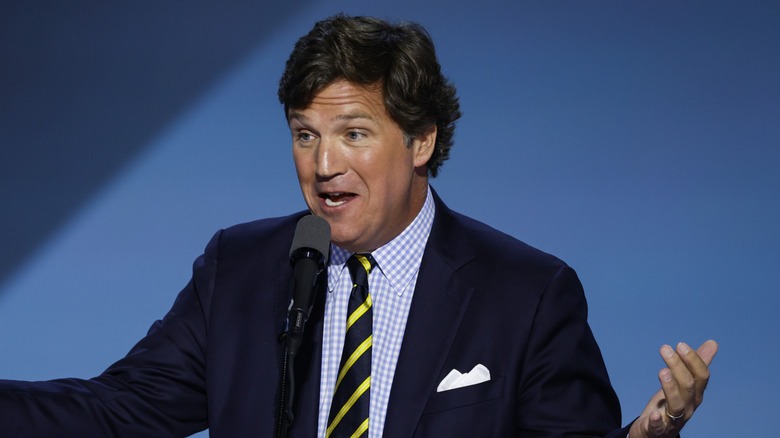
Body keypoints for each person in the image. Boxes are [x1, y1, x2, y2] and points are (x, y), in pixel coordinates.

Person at [0, 14, 716, 438]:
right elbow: (118, 410)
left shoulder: (525, 293)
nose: (323, 165)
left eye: (353, 133)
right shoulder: (241, 269)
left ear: (421, 140)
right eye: (304, 135)